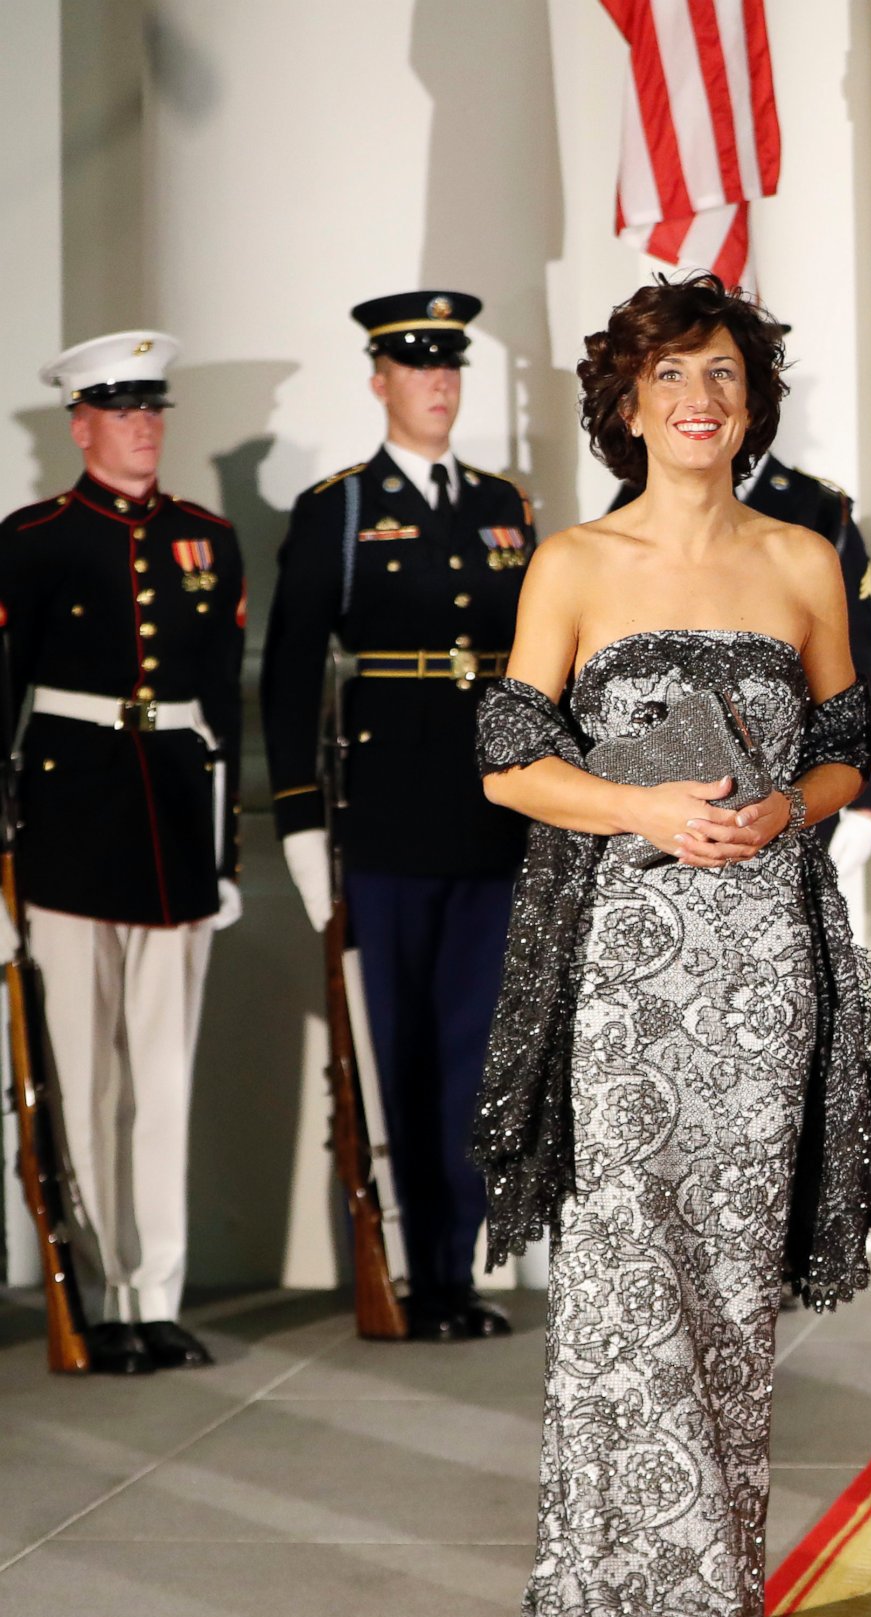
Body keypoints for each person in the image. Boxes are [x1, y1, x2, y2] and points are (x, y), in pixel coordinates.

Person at [396, 274, 871, 1617]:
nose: (703, 400)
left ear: (755, 404)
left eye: (728, 377)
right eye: (675, 376)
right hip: (625, 967)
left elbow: (849, 755)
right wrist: (639, 812)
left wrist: (785, 813)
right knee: (625, 1291)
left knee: (733, 1300)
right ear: (625, 402)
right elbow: (506, 757)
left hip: (766, 971)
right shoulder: (573, 561)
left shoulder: (807, 558)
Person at [262, 290, 532, 1341]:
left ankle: (453, 1274)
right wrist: (298, 823)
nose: (439, 385)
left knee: (474, 1051)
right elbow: (291, 675)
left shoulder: (504, 505)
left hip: (491, 819)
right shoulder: (337, 509)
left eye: (451, 368)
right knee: (394, 1054)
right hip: (381, 822)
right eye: (419, 369)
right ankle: (405, 1269)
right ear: (380, 381)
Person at [0, 332, 246, 1375]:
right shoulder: (33, 538)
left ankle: (156, 1295)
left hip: (178, 832)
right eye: (121, 408)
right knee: (87, 1084)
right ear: (81, 423)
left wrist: (226, 850)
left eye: (153, 408)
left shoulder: (208, 538)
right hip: (67, 832)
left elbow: (223, 706)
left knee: (162, 1081)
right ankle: (96, 1291)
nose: (143, 425)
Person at [610, 447, 871, 929]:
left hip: (782, 794)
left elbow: (856, 664)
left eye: (725, 376)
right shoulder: (632, 505)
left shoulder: (816, 507)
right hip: (657, 808)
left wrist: (869, 795)